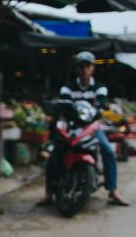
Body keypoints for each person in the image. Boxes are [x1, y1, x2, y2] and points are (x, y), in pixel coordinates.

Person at [38, 51, 129, 207]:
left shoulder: (99, 88)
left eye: (87, 66)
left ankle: (112, 190)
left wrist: (98, 109)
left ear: (92, 68)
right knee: (55, 153)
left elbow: (99, 105)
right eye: (81, 66)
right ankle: (49, 192)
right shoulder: (68, 88)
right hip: (71, 126)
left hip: (91, 127)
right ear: (76, 69)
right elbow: (64, 105)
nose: (84, 70)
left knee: (107, 150)